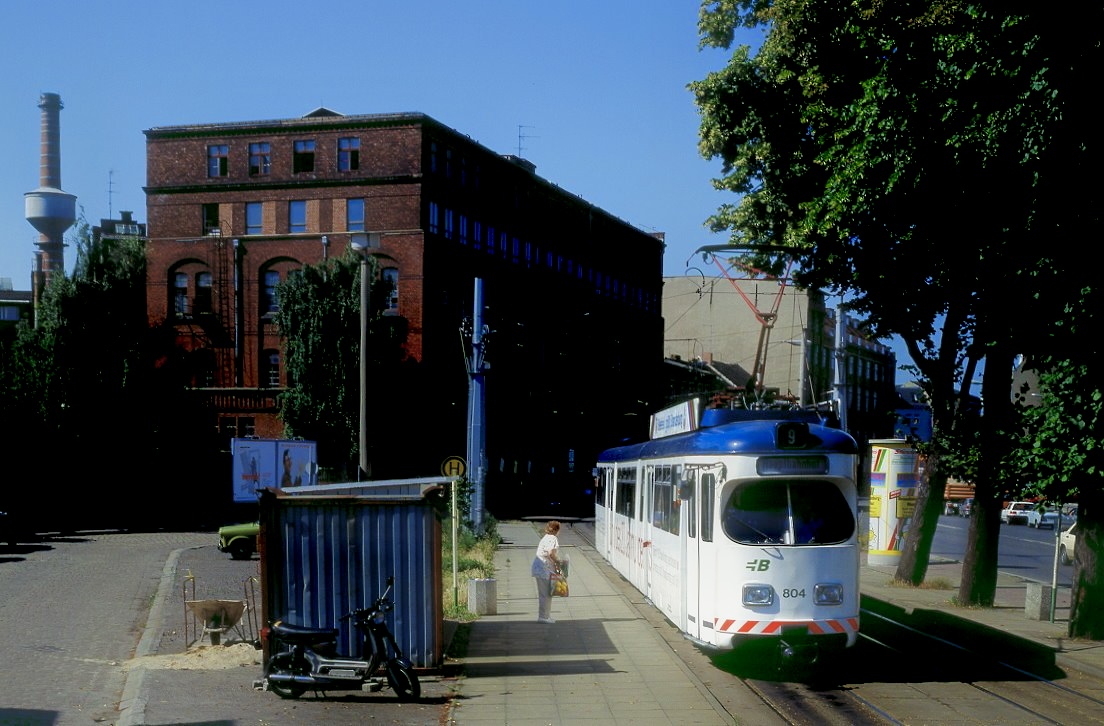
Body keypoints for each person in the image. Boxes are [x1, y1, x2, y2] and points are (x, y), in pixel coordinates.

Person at [531, 520, 561, 623]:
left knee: (545, 594)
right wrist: (559, 562)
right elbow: (551, 553)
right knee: (546, 594)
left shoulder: (545, 537)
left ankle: (545, 616)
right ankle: (543, 617)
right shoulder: (553, 538)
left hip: (540, 568)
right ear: (556, 530)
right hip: (544, 569)